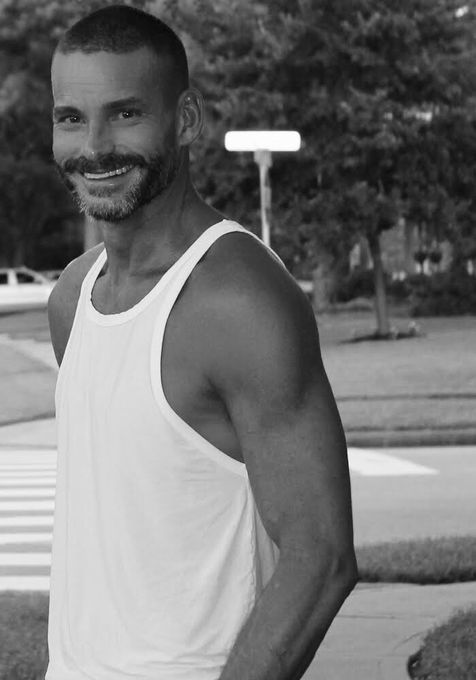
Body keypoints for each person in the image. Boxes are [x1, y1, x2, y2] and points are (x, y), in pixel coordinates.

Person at [46, 6, 357, 680]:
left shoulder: (239, 300)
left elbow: (322, 556)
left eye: (125, 114)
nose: (94, 147)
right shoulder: (72, 298)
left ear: (185, 119)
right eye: (71, 118)